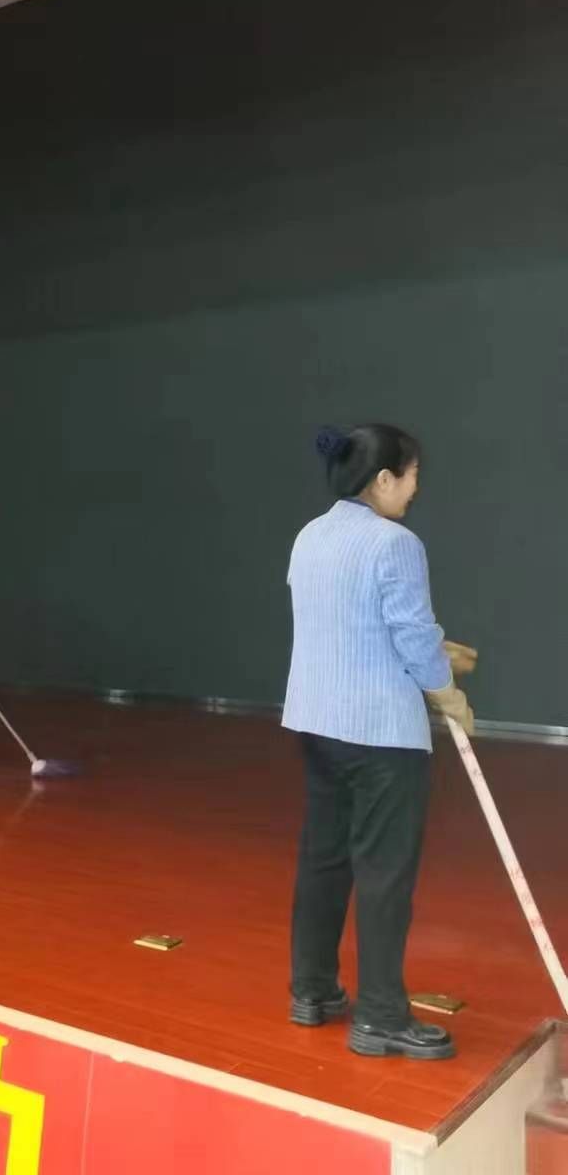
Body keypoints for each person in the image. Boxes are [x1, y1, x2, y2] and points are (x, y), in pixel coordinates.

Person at [283, 424, 478, 1062]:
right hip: (379, 734)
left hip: (318, 721)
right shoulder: (396, 543)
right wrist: (446, 691)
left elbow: (351, 622)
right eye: (414, 475)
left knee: (324, 859)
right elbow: (411, 635)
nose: (417, 488)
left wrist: (434, 649)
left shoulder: (311, 535)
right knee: (384, 873)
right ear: (385, 478)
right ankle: (381, 1018)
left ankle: (312, 992)